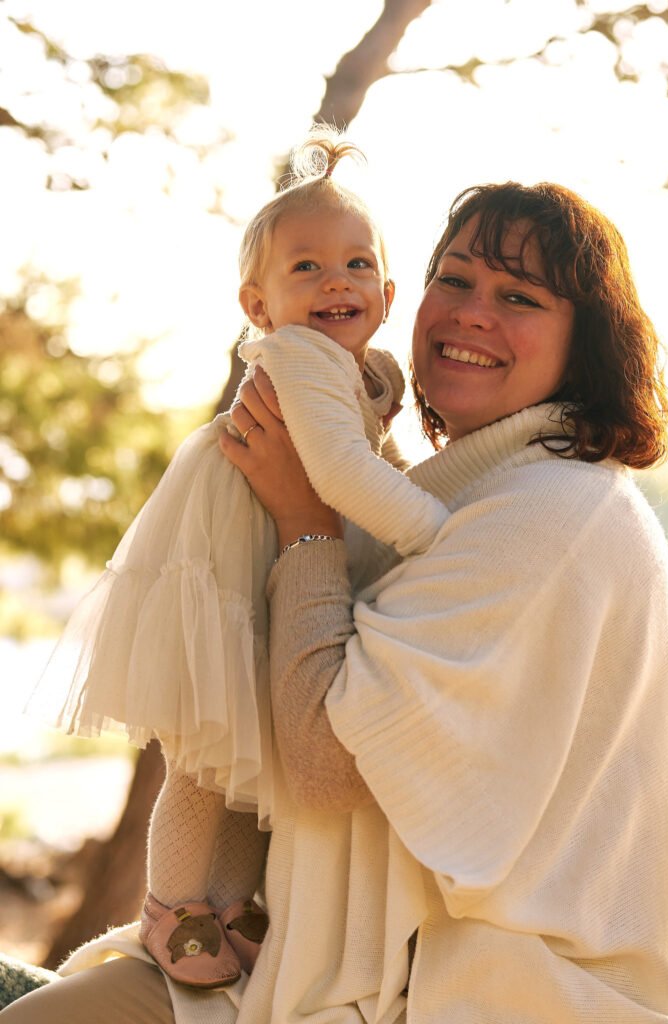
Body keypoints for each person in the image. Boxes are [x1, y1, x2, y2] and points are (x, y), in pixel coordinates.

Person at [3, 180, 668, 1023]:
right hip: (319, 961)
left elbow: (329, 764)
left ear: (583, 344)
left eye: (518, 296)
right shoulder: (487, 489)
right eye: (456, 278)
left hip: (481, 994)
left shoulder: (549, 515)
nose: (472, 313)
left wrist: (304, 519)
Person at [25, 131, 448, 989]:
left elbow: (376, 460)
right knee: (206, 755)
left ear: (389, 290)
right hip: (232, 565)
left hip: (280, 565)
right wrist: (441, 531)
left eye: (357, 264)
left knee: (259, 746)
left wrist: (408, 482)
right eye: (306, 269)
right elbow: (337, 471)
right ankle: (176, 907)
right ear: (258, 307)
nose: (337, 281)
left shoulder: (372, 372)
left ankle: (235, 905)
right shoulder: (297, 360)